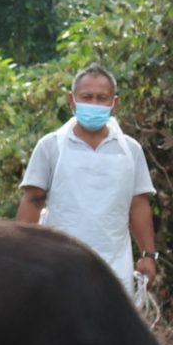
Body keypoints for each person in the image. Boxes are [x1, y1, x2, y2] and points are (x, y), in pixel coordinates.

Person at [19, 64, 158, 295]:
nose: (93, 104)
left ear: (115, 103)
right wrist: (20, 255)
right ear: (72, 101)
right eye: (87, 97)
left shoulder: (130, 150)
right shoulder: (50, 146)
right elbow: (32, 201)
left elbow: (138, 204)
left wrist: (148, 255)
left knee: (110, 328)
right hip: (59, 263)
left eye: (102, 98)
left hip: (114, 264)